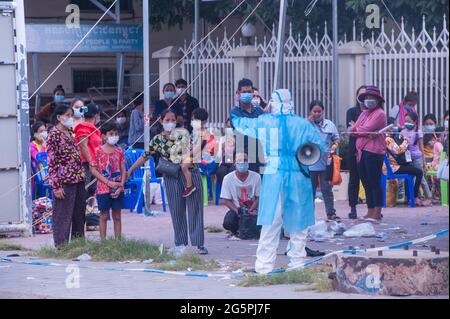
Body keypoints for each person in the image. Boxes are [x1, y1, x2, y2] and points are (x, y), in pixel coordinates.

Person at [232, 89, 324, 274]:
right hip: (299, 172)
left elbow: (238, 121)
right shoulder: (302, 124)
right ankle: (297, 264)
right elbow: (318, 147)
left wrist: (254, 108)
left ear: (273, 102)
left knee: (271, 220)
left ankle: (264, 266)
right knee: (299, 221)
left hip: (274, 172)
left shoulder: (265, 121)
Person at [126, 109, 207, 255]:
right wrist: (131, 169)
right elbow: (145, 156)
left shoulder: (184, 134)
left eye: (173, 120)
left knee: (195, 208)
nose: (170, 123)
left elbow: (196, 148)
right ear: (161, 120)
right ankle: (180, 243)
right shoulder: (157, 140)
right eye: (167, 120)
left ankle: (199, 244)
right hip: (171, 176)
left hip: (190, 173)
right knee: (176, 210)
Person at [46, 104, 86, 248]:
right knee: (63, 215)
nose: (70, 118)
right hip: (64, 180)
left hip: (78, 178)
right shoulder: (53, 135)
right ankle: (61, 246)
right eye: (67, 115)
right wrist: (56, 186)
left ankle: (78, 244)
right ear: (59, 117)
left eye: (71, 115)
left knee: (79, 213)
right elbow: (51, 162)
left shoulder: (70, 131)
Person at [350, 85, 387, 223]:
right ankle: (370, 210)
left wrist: (359, 130)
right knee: (365, 182)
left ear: (378, 99)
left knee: (374, 181)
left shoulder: (380, 114)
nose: (369, 100)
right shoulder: (364, 113)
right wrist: (361, 131)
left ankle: (377, 212)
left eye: (372, 97)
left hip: (374, 152)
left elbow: (362, 129)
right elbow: (354, 130)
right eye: (367, 97)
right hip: (361, 151)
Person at [90, 122, 126, 240]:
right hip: (103, 188)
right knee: (103, 215)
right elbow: (93, 169)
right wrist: (106, 181)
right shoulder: (97, 151)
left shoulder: (119, 151)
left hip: (117, 188)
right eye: (111, 134)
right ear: (104, 136)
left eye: (116, 133)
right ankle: (103, 242)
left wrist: (121, 185)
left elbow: (123, 169)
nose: (114, 136)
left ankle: (118, 241)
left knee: (117, 216)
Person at [307, 100, 340, 221]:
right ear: (310, 111)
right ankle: (309, 215)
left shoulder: (329, 125)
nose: (316, 114)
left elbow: (336, 140)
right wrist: (305, 124)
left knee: (327, 189)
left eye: (319, 111)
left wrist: (332, 150)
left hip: (326, 163)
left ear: (323, 111)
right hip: (309, 163)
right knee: (310, 190)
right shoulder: (306, 124)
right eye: (314, 111)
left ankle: (331, 213)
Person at [385, 118, 429, 206]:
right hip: (393, 168)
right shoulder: (387, 139)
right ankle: (415, 197)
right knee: (419, 172)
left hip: (394, 166)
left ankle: (409, 198)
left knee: (411, 172)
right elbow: (398, 150)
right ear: (389, 127)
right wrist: (405, 141)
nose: (396, 127)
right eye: (394, 125)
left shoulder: (391, 137)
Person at [230, 78, 266, 174]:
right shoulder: (235, 112)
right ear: (238, 93)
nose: (247, 94)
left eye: (249, 92)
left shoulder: (259, 111)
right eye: (244, 92)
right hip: (244, 152)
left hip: (260, 151)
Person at [220, 153, 261, 237]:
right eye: (239, 161)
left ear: (248, 162)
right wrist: (236, 211)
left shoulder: (256, 177)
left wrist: (251, 210)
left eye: (245, 160)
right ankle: (235, 231)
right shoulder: (228, 178)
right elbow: (227, 200)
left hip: (254, 210)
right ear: (234, 163)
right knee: (228, 222)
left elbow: (258, 197)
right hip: (237, 210)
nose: (242, 163)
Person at [74, 102, 102, 201]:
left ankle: (89, 212)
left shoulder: (93, 128)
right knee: (84, 189)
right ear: (96, 115)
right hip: (86, 164)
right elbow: (83, 146)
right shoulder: (83, 127)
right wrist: (91, 162)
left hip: (94, 164)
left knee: (92, 190)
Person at [401, 112, 433, 200]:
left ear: (415, 122)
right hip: (407, 159)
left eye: (409, 121)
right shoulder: (402, 132)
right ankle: (414, 197)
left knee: (421, 178)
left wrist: (423, 161)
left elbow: (421, 147)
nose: (406, 123)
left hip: (417, 158)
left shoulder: (418, 132)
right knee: (410, 179)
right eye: (405, 121)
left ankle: (429, 197)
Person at [346, 85, 367, 219]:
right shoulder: (351, 111)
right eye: (361, 95)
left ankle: (373, 207)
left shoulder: (375, 112)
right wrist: (362, 129)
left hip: (368, 149)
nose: (364, 98)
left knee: (369, 180)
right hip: (354, 149)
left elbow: (357, 129)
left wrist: (357, 128)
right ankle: (353, 208)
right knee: (354, 179)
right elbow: (351, 130)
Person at [216, 118, 236, 189]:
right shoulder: (223, 138)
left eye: (231, 126)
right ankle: (225, 191)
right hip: (225, 161)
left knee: (232, 172)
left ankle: (233, 191)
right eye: (227, 126)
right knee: (220, 172)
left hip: (236, 161)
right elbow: (218, 154)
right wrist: (222, 147)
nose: (229, 128)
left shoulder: (240, 137)